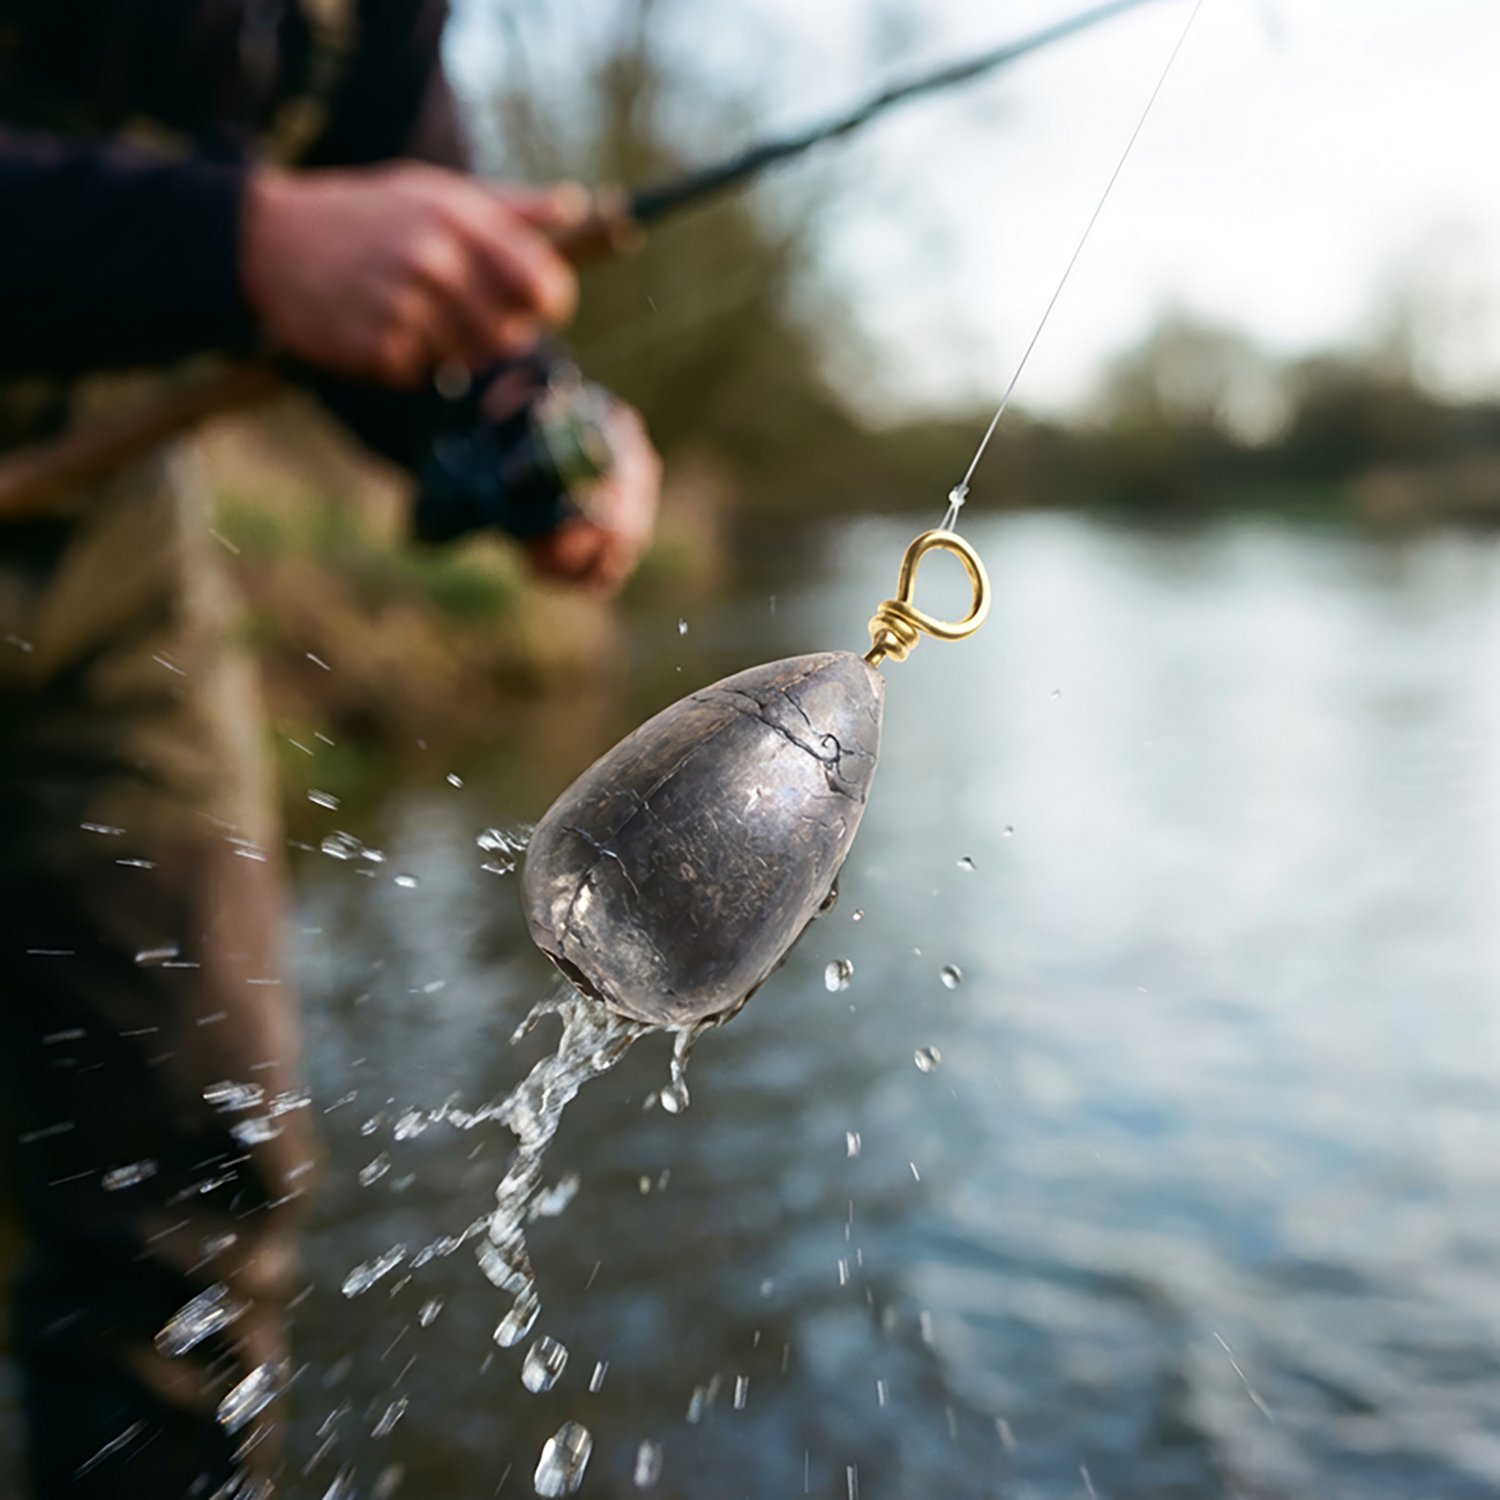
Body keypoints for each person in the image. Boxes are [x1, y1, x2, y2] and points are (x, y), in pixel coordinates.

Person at [0, 3, 662, 1495]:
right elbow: (287, 243)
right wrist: (239, 242)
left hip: (108, 576)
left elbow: (389, 221)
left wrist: (519, 408)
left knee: (191, 1163)